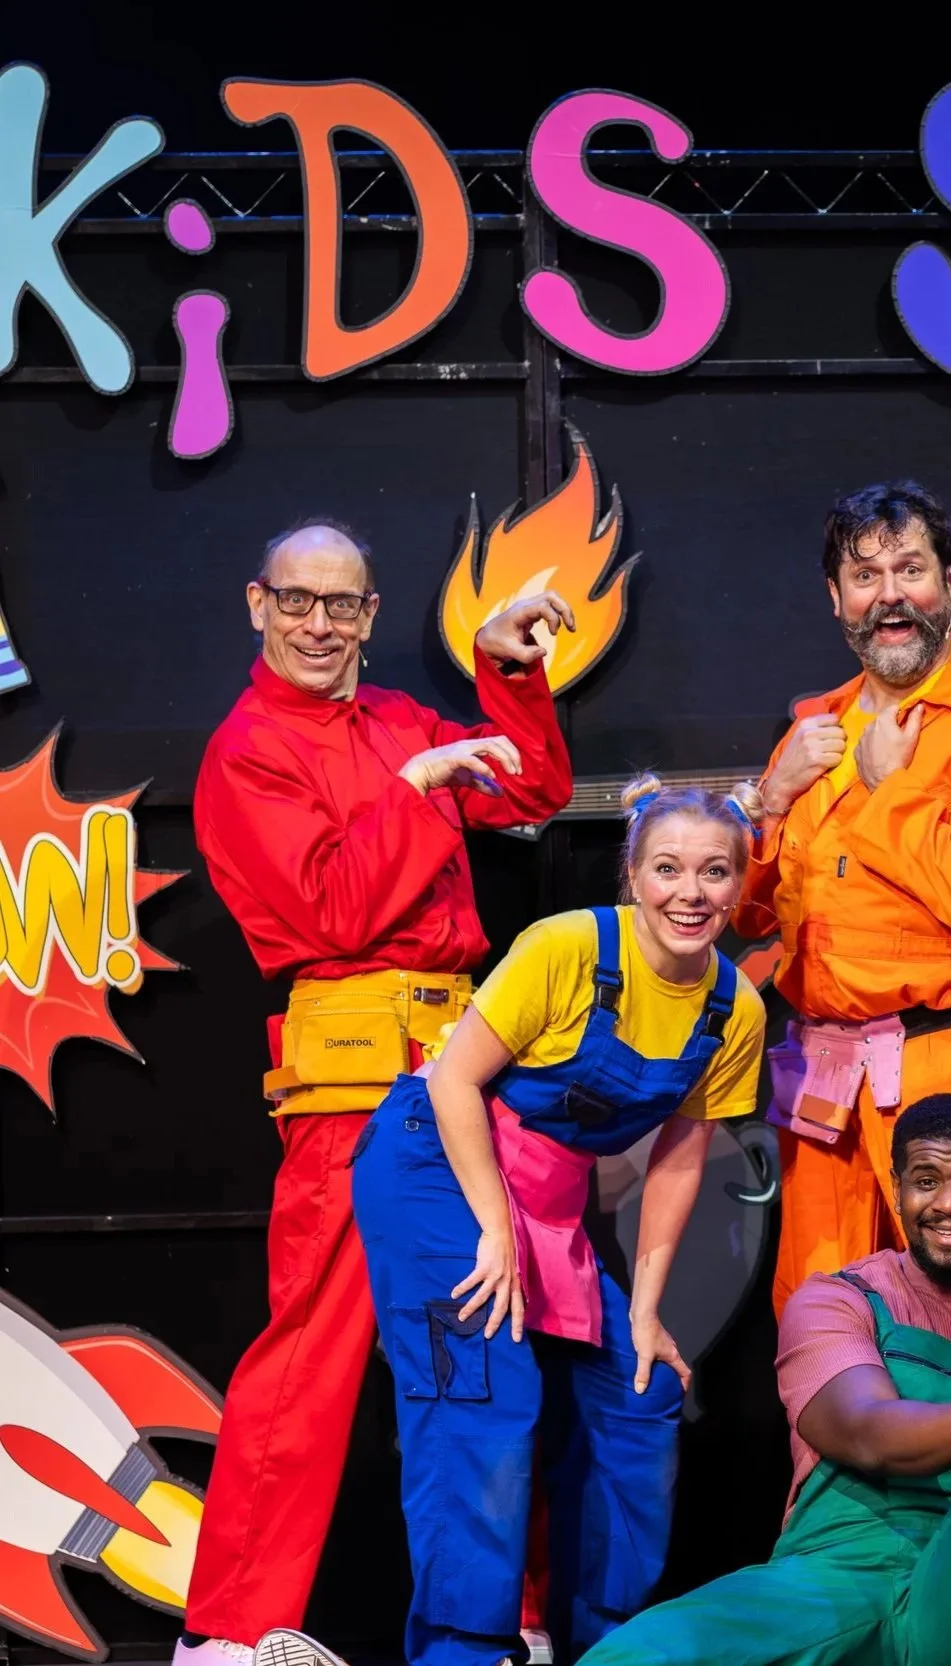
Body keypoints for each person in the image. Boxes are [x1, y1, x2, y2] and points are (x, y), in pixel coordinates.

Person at [181, 518, 575, 1666]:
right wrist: (415, 789)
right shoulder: (247, 749)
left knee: (482, 1344)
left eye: (342, 604)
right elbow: (331, 916)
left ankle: (493, 1619)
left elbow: (532, 787)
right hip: (353, 1085)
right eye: (297, 600)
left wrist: (505, 670)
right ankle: (230, 1637)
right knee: (310, 1357)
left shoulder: (401, 715)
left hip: (457, 1074)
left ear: (368, 612)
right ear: (258, 603)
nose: (318, 623)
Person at [284, 775, 767, 1666]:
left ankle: (610, 1649)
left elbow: (681, 1152)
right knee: (485, 1394)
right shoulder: (565, 948)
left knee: (641, 1389)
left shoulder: (732, 1007)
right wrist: (493, 1231)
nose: (689, 894)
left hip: (546, 1198)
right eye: (667, 869)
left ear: (741, 882)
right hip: (438, 1167)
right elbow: (455, 1079)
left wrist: (646, 1310)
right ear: (632, 872)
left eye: (713, 873)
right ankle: (463, 1651)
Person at [577, 1094, 951, 1666]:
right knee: (640, 1653)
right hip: (835, 1577)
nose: (948, 1204)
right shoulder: (839, 1300)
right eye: (925, 1181)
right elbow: (862, 1427)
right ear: (896, 1187)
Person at [735, 482, 951, 1316]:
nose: (888, 595)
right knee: (816, 1322)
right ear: (835, 599)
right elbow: (744, 918)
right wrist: (768, 804)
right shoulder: (817, 728)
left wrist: (887, 793)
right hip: (821, 1076)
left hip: (942, 1058)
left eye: (910, 569)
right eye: (864, 575)